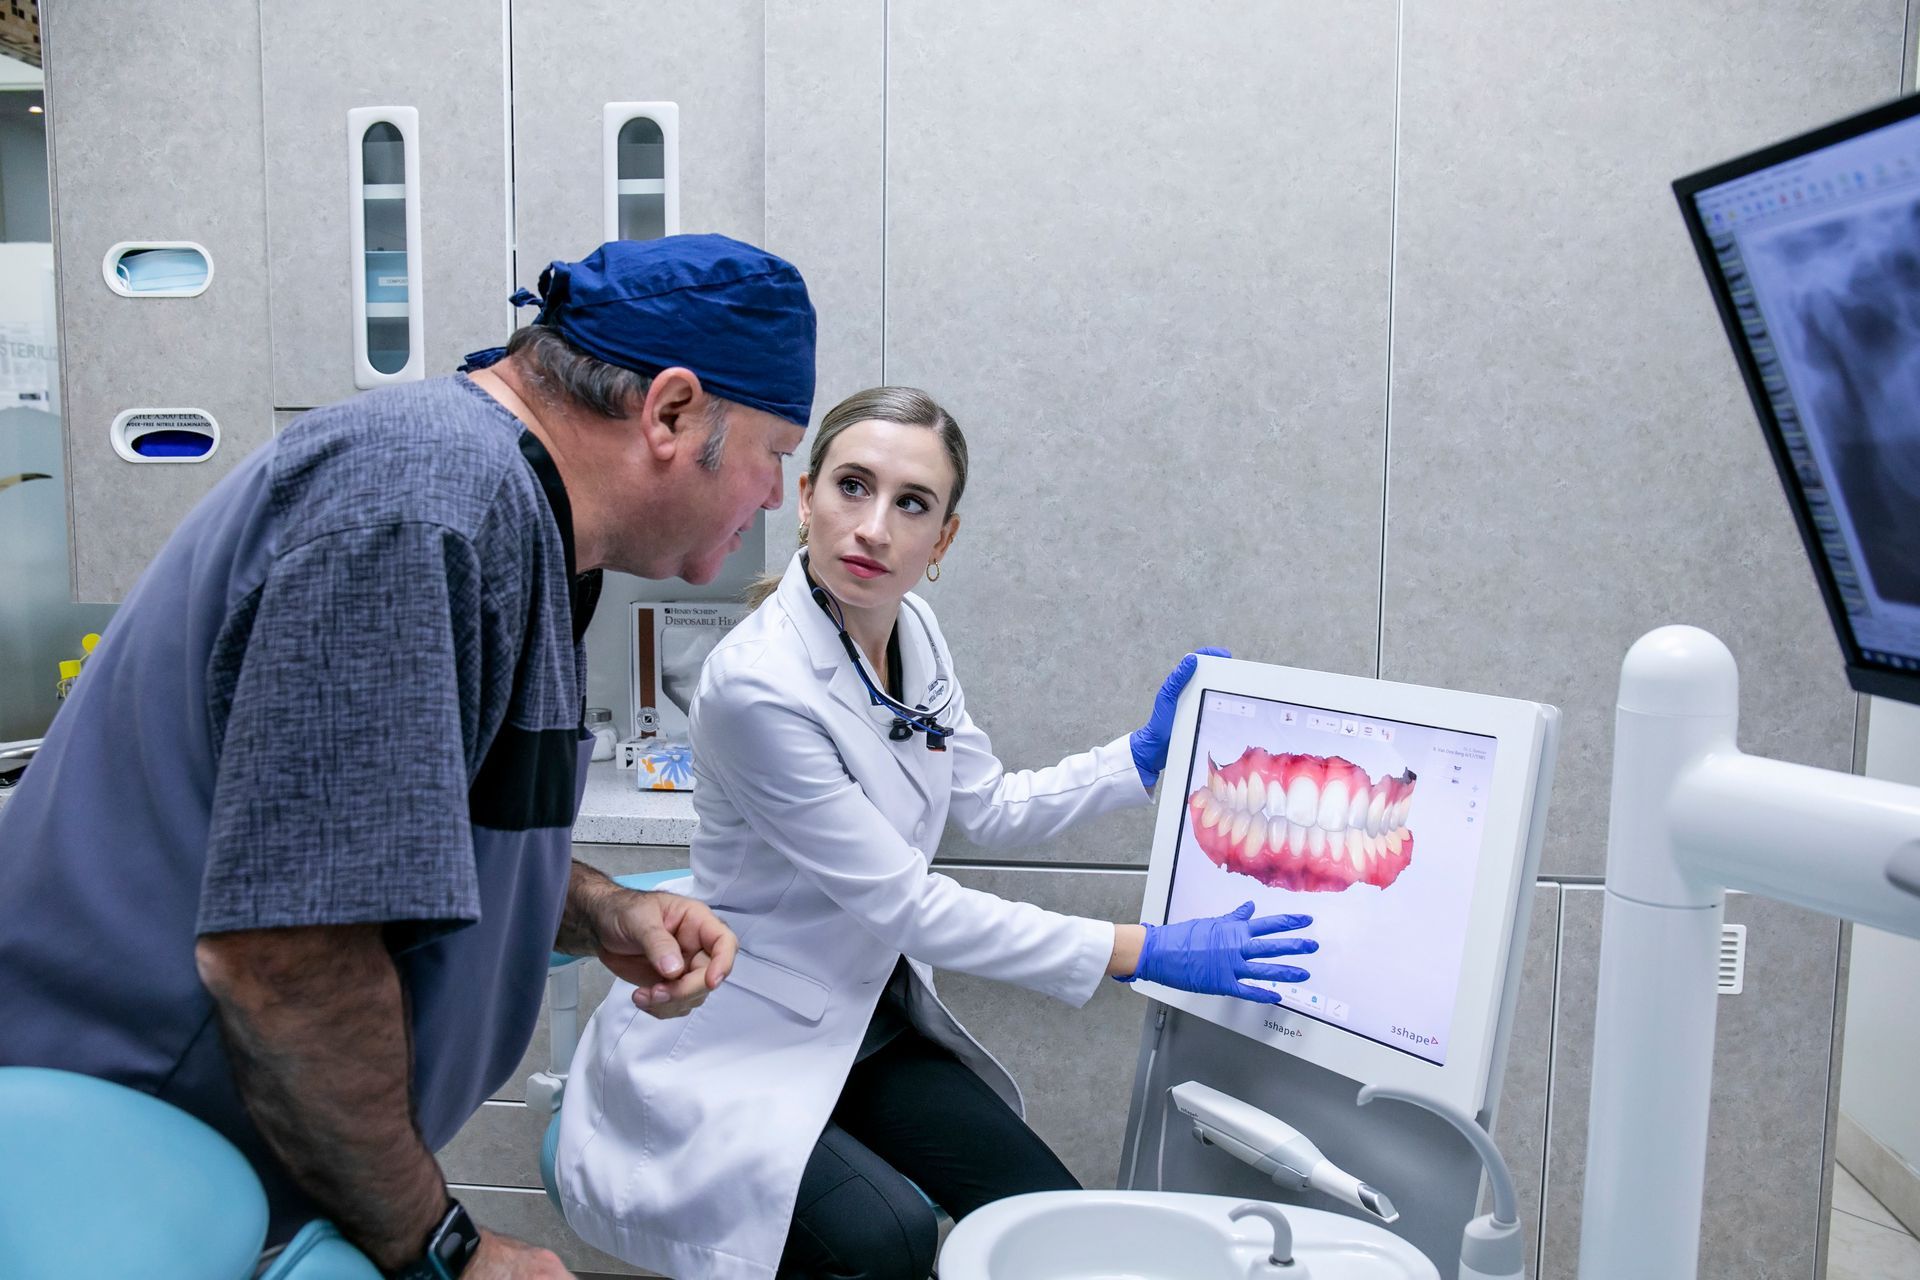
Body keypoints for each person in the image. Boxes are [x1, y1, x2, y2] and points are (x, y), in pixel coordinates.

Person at [0, 234, 820, 1279]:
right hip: (103, 1176)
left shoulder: (510, 520)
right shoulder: (421, 510)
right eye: (776, 452)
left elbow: (387, 836)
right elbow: (286, 955)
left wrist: (593, 907)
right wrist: (446, 1247)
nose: (772, 495)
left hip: (226, 1173)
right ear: (669, 412)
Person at [553, 386, 1318, 1280]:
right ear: (805, 498)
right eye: (852, 486)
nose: (873, 527)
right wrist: (1142, 949)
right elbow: (910, 905)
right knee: (890, 1243)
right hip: (741, 1026)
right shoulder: (756, 686)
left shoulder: (911, 628)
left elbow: (986, 803)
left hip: (859, 1014)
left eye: (911, 503)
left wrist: (1134, 764)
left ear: (943, 539)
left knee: (1051, 1222)